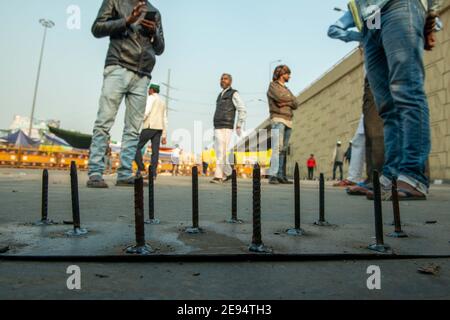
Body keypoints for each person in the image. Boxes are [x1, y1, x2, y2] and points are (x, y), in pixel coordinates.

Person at [355, 0, 443, 200]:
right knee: (386, 107)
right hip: (370, 20)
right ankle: (392, 174)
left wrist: (432, 13)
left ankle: (413, 176)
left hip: (399, 6)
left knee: (407, 93)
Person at [87, 0, 165, 188]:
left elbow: (160, 49)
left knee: (133, 128)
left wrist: (154, 32)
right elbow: (97, 28)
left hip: (143, 75)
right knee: (104, 122)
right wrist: (127, 21)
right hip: (118, 66)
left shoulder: (154, 11)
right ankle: (95, 172)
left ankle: (124, 173)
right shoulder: (115, 1)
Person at [211, 74, 247, 184]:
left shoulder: (234, 93)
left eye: (225, 78)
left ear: (230, 81)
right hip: (217, 125)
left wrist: (239, 124)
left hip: (227, 126)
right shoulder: (220, 95)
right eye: (221, 78)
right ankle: (229, 173)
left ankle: (218, 176)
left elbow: (242, 108)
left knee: (222, 151)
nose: (222, 80)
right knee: (219, 152)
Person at [267, 65, 299, 185]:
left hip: (288, 120)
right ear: (282, 74)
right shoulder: (273, 86)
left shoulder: (287, 89)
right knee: (277, 148)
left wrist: (287, 101)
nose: (289, 76)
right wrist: (288, 101)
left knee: (283, 150)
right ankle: (273, 175)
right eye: (288, 74)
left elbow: (296, 103)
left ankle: (280, 175)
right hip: (278, 119)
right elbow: (279, 98)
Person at [134, 83, 168, 179]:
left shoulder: (151, 98)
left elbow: (146, 111)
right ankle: (153, 174)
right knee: (155, 152)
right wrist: (164, 135)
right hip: (159, 129)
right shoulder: (162, 102)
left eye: (149, 89)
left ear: (152, 90)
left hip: (149, 126)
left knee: (136, 147)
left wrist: (139, 122)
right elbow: (165, 119)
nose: (148, 91)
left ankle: (141, 168)